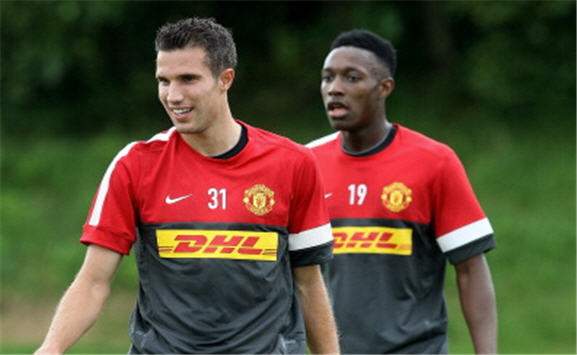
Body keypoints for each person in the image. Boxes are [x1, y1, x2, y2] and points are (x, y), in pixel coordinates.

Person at [35, 17, 339, 354]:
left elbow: (309, 284)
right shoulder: (135, 164)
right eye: (163, 81)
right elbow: (93, 282)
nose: (172, 95)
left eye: (188, 79)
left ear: (226, 79)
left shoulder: (292, 164)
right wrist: (49, 349)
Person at [307, 29, 497, 354]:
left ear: (384, 88)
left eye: (352, 77)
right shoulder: (306, 164)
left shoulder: (433, 162)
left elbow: (470, 270)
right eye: (328, 78)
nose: (335, 88)